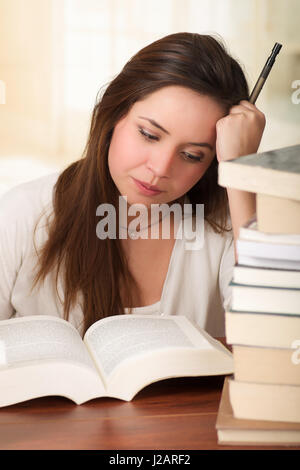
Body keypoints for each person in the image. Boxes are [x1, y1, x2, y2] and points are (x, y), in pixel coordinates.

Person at [0, 32, 265, 338]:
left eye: (192, 155)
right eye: (149, 135)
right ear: (114, 113)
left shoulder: (230, 228)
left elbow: (268, 349)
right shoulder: (23, 214)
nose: (160, 169)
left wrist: (241, 174)